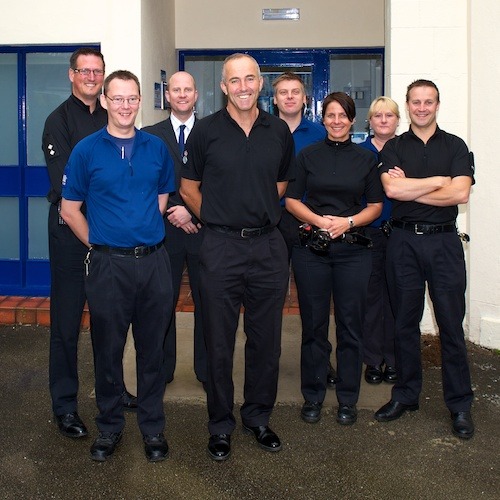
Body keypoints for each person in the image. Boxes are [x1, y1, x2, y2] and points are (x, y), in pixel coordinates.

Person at [180, 53, 295, 461]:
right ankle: (220, 425)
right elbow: (188, 185)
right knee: (218, 340)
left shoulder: (278, 130)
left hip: (267, 247)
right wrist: (215, 216)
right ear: (224, 86)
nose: (243, 86)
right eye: (235, 80)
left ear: (259, 84)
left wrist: (256, 206)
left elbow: (281, 182)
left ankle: (258, 417)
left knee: (266, 341)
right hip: (220, 247)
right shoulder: (206, 131)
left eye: (250, 78)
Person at [60, 70, 176, 461]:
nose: (125, 106)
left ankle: (153, 428)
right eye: (118, 98)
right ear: (106, 101)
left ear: (140, 100)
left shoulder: (157, 148)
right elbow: (70, 209)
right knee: (107, 351)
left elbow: (161, 197)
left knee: (152, 351)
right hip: (109, 267)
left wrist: (139, 230)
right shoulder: (86, 151)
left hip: (154, 264)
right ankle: (109, 427)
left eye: (132, 98)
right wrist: (101, 241)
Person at [42, 48, 137, 441]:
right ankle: (65, 405)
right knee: (66, 324)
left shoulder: (113, 115)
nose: (92, 77)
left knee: (109, 323)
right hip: (71, 235)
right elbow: (69, 185)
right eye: (85, 71)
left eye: (98, 71)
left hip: (111, 235)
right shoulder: (57, 122)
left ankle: (112, 392)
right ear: (71, 75)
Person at [374, 79, 475, 439]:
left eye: (427, 102)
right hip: (402, 243)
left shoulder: (455, 145)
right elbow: (392, 190)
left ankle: (460, 405)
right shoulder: (394, 147)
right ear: (408, 104)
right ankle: (406, 395)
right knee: (404, 323)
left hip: (444, 245)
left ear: (437, 104)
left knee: (451, 326)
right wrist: (437, 182)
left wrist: (414, 189)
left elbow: (460, 193)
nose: (421, 108)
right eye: (415, 102)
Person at [285, 92, 383, 425]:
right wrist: (317, 220)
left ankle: (348, 398)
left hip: (354, 251)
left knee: (350, 327)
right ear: (322, 118)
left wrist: (348, 222)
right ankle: (312, 395)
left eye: (343, 116)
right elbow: (292, 200)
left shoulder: (366, 159)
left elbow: (376, 206)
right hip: (312, 250)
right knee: (313, 327)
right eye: (330, 115)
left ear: (353, 120)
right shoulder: (307, 156)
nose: (337, 121)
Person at [271, 72, 337, 388]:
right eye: (282, 92)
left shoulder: (320, 134)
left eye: (295, 92)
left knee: (314, 299)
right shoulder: (263, 132)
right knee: (270, 296)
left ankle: (319, 363)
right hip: (272, 223)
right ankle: (267, 362)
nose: (289, 97)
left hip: (310, 222)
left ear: (305, 97)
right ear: (274, 99)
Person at [142, 71, 207, 389]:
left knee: (208, 303)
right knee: (161, 303)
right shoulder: (150, 135)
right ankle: (161, 370)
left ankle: (207, 371)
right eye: (176, 90)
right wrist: (174, 211)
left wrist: (193, 211)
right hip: (165, 233)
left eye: (188, 90)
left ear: (196, 95)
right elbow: (145, 182)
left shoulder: (212, 132)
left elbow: (221, 180)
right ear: (167, 96)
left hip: (203, 230)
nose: (182, 95)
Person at [359, 97, 400, 385]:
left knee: (398, 298)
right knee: (371, 300)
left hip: (401, 233)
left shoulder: (407, 150)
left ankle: (395, 359)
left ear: (398, 120)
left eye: (389, 115)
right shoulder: (359, 153)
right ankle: (372, 360)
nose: (383, 120)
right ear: (369, 121)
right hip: (369, 234)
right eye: (378, 116)